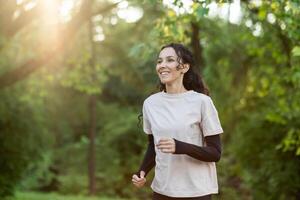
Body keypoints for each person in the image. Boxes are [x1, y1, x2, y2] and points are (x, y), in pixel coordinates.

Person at [132, 43, 223, 200]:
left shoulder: (202, 102)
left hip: (196, 192)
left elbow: (215, 153)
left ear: (184, 67)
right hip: (162, 191)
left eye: (170, 60)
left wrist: (180, 146)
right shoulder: (151, 103)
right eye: (159, 61)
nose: (162, 65)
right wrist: (142, 171)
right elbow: (153, 146)